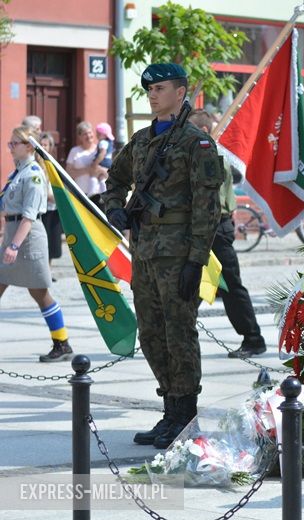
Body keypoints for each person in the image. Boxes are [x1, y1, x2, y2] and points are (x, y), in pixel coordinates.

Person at [102, 63, 222, 449]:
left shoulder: (196, 144)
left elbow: (208, 208)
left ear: (181, 92)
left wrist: (195, 261)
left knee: (179, 334)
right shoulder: (140, 141)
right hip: (145, 251)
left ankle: (185, 416)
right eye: (149, 89)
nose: (153, 94)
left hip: (178, 254)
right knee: (152, 333)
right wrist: (114, 208)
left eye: (161, 88)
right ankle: (169, 411)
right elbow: (115, 179)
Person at [188, 109, 267, 359]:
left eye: (189, 130)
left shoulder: (211, 155)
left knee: (230, 285)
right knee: (192, 281)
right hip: (202, 227)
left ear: (203, 131)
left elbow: (211, 200)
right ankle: (178, 332)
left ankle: (253, 338)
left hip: (214, 228)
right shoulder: (197, 154)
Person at [0, 126, 75, 362]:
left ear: (29, 147)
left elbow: (29, 216)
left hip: (28, 238)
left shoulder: (32, 173)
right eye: (10, 143)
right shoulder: (18, 173)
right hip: (13, 233)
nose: (10, 147)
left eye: (15, 143)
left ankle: (62, 343)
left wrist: (14, 246)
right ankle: (61, 343)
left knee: (40, 293)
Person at [38, 133, 63, 276]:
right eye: (40, 144)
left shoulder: (52, 163)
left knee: (53, 239)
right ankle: (43, 271)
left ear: (50, 147)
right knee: (42, 240)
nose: (43, 147)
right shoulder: (35, 164)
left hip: (54, 206)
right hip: (41, 208)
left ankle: (48, 270)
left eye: (45, 144)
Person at [66, 122, 106, 210]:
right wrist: (88, 170)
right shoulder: (75, 151)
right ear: (80, 137)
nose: (88, 136)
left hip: (99, 195)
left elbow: (109, 172)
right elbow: (68, 172)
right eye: (85, 134)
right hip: (81, 194)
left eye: (90, 132)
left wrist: (101, 170)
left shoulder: (100, 150)